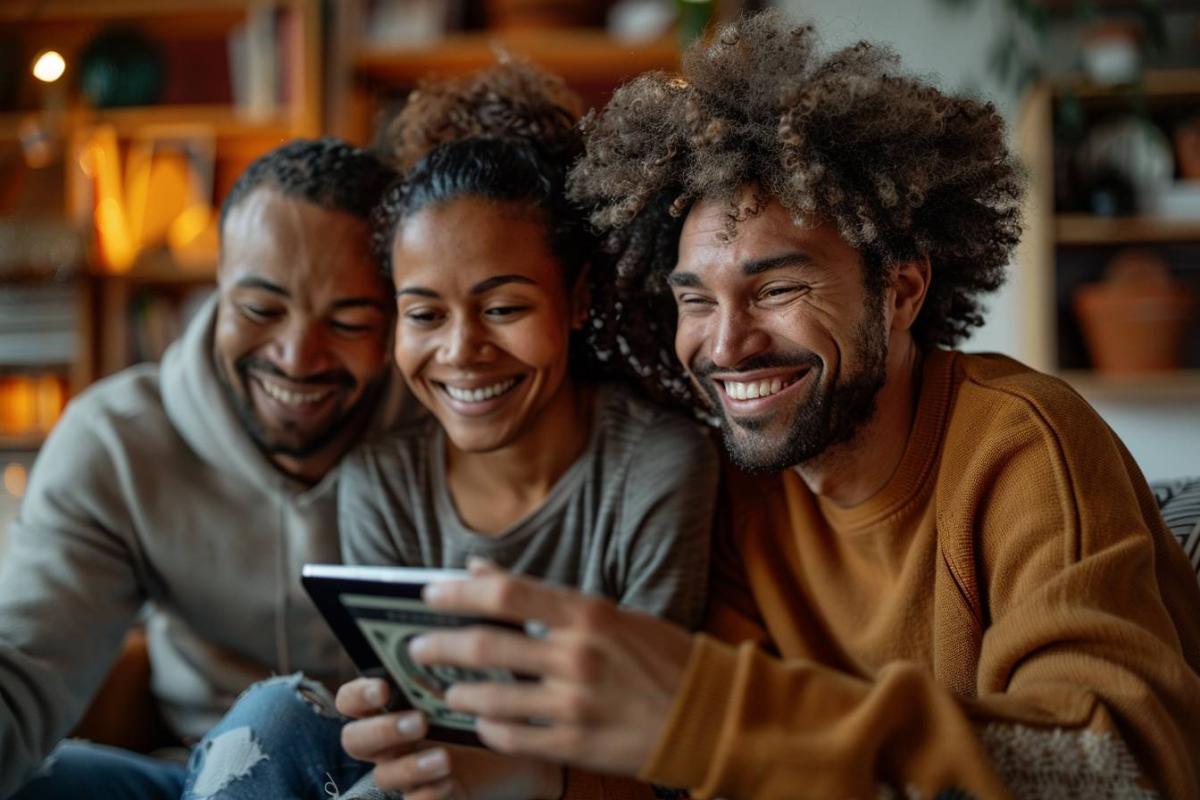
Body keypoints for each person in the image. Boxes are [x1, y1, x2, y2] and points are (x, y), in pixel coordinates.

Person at [336, 13, 1200, 799]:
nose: (727, 342)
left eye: (777, 287)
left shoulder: (1020, 445)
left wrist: (707, 708)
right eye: (696, 300)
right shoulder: (738, 491)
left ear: (899, 291)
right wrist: (528, 775)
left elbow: (1115, 768)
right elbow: (706, 772)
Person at [176, 64, 717, 800]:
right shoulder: (381, 482)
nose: (461, 351)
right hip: (436, 785)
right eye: (425, 315)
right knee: (275, 718)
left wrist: (529, 778)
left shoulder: (654, 468)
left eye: (503, 308)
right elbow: (413, 740)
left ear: (580, 298)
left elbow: (662, 759)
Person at [0, 138, 415, 800]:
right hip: (196, 777)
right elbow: (22, 665)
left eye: (347, 321)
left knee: (277, 719)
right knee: (40, 779)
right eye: (260, 309)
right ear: (215, 282)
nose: (296, 357)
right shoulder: (118, 442)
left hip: (392, 781)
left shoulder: (447, 433)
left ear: (396, 315)